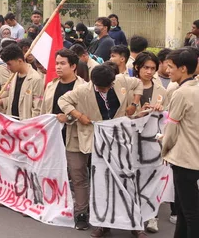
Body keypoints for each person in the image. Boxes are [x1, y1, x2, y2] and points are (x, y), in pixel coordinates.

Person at [58, 63, 144, 238]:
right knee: (101, 183)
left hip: (120, 139)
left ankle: (135, 224)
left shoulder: (121, 81)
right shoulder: (83, 91)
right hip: (96, 142)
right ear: (94, 83)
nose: (106, 90)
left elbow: (138, 84)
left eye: (109, 86)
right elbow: (63, 101)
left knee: (126, 179)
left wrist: (134, 104)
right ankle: (103, 224)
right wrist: (79, 115)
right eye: (101, 88)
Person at [161, 48, 199, 238]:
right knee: (185, 211)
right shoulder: (196, 87)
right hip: (193, 158)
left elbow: (171, 129)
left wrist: (164, 149)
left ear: (183, 69)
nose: (168, 71)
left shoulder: (181, 93)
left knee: (190, 213)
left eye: (171, 67)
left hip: (184, 159)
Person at [0, 45, 44, 120]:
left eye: (9, 64)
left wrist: (30, 125)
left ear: (19, 61)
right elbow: (15, 98)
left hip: (25, 124)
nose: (8, 68)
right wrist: (2, 102)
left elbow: (37, 108)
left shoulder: (35, 79)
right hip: (12, 122)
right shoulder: (13, 76)